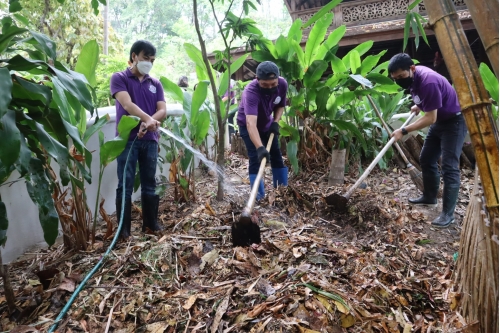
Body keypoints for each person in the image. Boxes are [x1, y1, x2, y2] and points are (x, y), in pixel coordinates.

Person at [388, 53, 466, 228]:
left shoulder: (428, 80)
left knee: (449, 167)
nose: (399, 80)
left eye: (401, 76)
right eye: (395, 78)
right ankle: (430, 197)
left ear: (412, 69)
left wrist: (403, 130)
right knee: (426, 158)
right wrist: (420, 105)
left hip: (453, 123)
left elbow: (430, 118)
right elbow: (430, 101)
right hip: (440, 121)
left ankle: (448, 214)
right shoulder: (415, 77)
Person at [110, 40, 167, 239]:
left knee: (149, 183)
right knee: (124, 184)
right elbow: (127, 104)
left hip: (150, 139)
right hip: (127, 140)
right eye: (145, 58)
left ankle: (150, 225)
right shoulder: (119, 78)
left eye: (152, 60)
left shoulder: (155, 84)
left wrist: (148, 123)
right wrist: (147, 119)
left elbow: (162, 110)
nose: (148, 63)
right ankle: (123, 230)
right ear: (134, 56)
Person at [236, 61, 288, 200]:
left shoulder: (282, 84)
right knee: (255, 158)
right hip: (248, 125)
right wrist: (260, 148)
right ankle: (258, 197)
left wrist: (275, 122)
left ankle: (282, 191)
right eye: (265, 85)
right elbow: (250, 124)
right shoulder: (251, 92)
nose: (270, 87)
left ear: (278, 78)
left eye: (273, 84)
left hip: (267, 123)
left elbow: (280, 105)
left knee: (276, 154)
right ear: (257, 80)